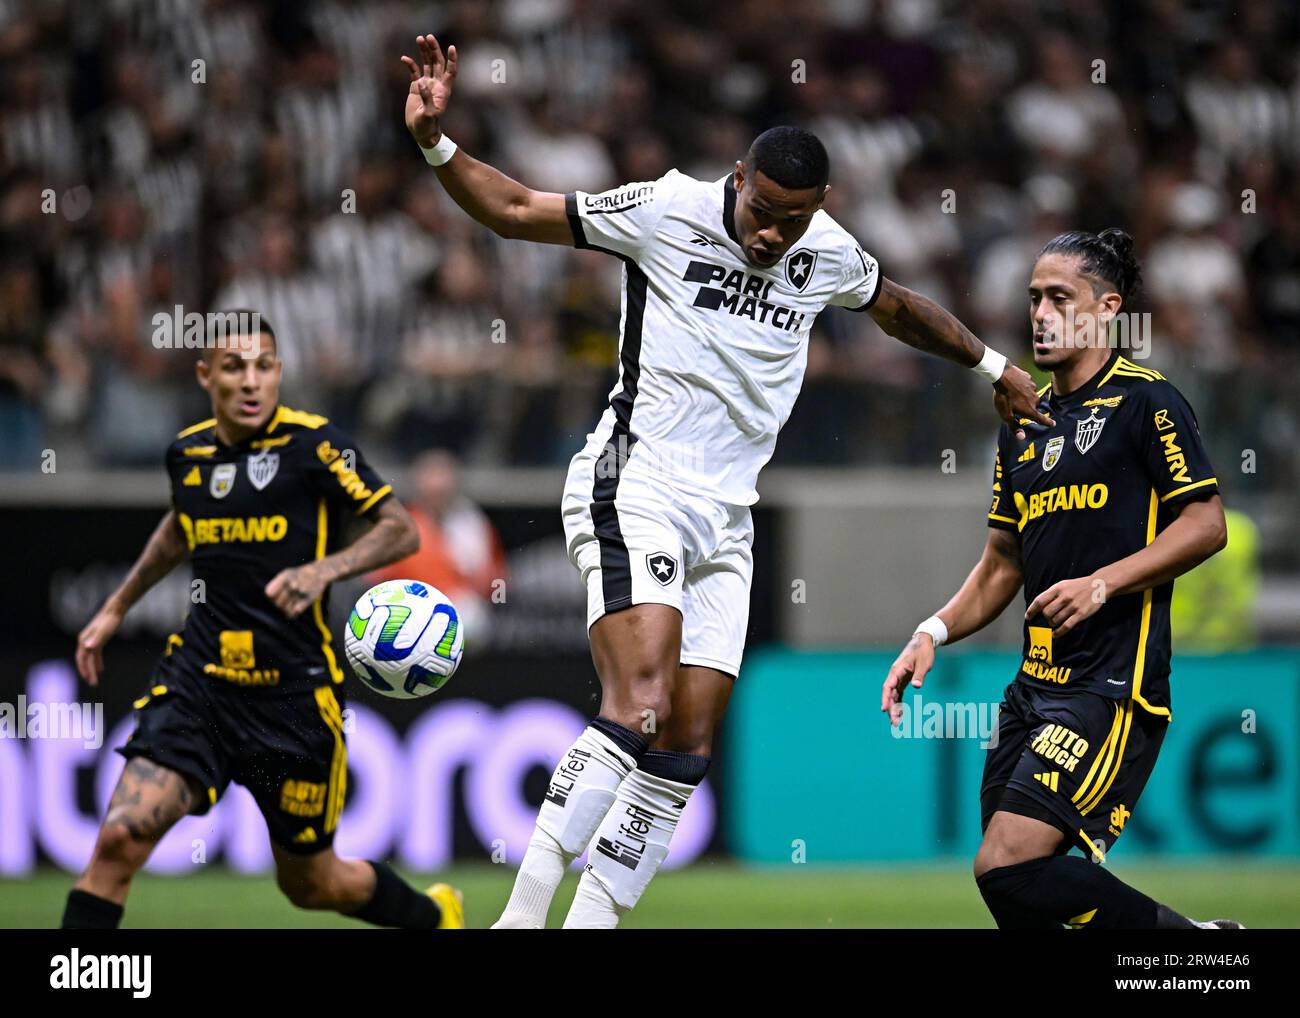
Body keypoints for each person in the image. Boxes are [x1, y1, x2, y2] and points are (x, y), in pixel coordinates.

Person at [400, 34, 1049, 929]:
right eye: (766, 210)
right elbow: (514, 207)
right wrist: (437, 142)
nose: (774, 234)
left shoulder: (823, 250)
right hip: (639, 483)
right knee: (638, 707)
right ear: (738, 177)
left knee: (684, 745)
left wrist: (993, 367)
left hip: (727, 518)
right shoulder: (667, 209)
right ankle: (520, 920)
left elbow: (898, 308)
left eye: (796, 218)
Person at [883, 231, 1241, 929]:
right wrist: (933, 631)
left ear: (1106, 309)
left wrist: (1103, 583)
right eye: (1033, 299)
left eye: (1058, 298)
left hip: (1111, 685)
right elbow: (1002, 564)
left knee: (1007, 864)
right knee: (1019, 893)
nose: (1040, 315)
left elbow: (1206, 523)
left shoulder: (1148, 403)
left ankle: (1198, 946)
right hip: (1031, 691)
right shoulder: (1021, 423)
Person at [64, 313, 464, 930]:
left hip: (293, 699)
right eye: (233, 368)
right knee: (118, 842)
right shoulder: (188, 454)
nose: (251, 382)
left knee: (310, 884)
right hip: (201, 684)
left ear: (278, 371)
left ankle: (435, 919)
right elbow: (180, 528)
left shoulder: (316, 447)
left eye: (263, 366)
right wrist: (116, 606)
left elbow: (400, 529)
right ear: (205, 375)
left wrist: (324, 570)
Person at [367, 448, 507, 641]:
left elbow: (495, 581)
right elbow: (375, 585)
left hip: (463, 622)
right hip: (405, 621)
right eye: (431, 476)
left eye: (443, 476)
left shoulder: (473, 524)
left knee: (471, 616)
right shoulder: (397, 527)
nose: (438, 486)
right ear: (418, 482)